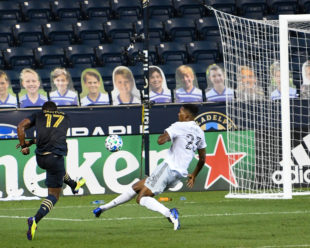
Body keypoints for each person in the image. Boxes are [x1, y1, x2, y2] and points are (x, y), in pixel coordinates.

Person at [93, 104, 206, 231]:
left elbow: (160, 141)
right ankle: (103, 208)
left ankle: (170, 213)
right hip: (178, 174)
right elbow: (202, 159)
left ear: (187, 115)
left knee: (141, 198)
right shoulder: (200, 132)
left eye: (180, 112)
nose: (178, 114)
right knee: (137, 187)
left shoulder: (178, 126)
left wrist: (166, 136)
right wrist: (194, 175)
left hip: (168, 168)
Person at [16, 101, 86, 240]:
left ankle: (74, 185)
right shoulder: (65, 116)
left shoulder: (39, 115)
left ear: (44, 110)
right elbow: (51, 133)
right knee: (54, 196)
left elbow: (20, 126)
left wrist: (25, 145)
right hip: (55, 157)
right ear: (56, 109)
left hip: (40, 158)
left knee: (58, 171)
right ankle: (35, 219)